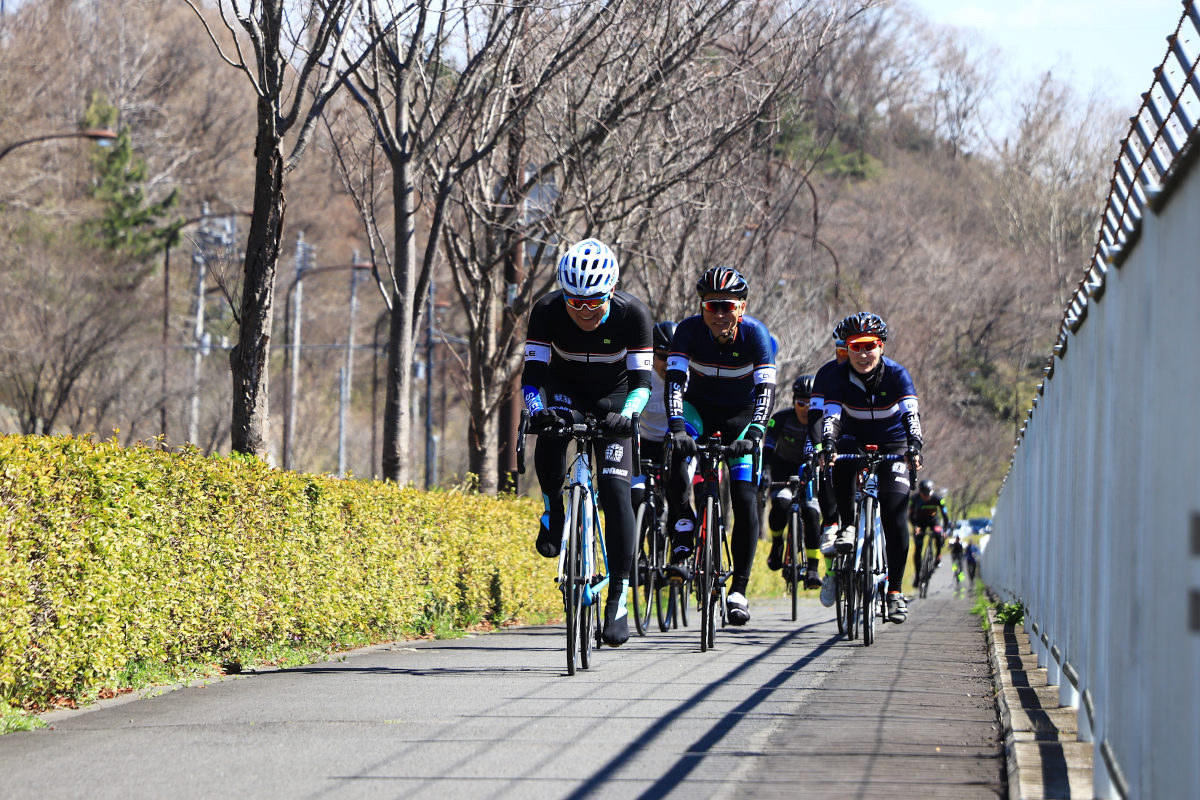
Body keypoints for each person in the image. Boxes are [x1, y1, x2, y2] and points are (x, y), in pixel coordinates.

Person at [521, 238, 653, 647]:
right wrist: (536, 408)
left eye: (593, 303)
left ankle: (618, 596)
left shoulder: (634, 315)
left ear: (610, 292)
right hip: (564, 391)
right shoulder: (545, 310)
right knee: (548, 432)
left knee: (616, 491)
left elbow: (643, 383)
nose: (583, 312)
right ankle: (554, 511)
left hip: (615, 399)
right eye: (574, 303)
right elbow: (532, 376)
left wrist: (628, 415)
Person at [664, 266, 777, 626]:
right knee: (678, 460)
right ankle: (683, 528)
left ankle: (739, 590)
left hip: (741, 419)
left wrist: (757, 429)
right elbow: (675, 384)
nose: (718, 314)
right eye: (710, 306)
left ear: (741, 308)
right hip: (697, 411)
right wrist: (678, 428)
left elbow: (766, 391)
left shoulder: (756, 335)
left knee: (745, 497)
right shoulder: (687, 331)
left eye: (726, 306)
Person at [820, 312, 923, 624]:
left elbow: (911, 416)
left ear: (882, 346)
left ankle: (894, 591)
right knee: (839, 462)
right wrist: (827, 443)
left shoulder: (897, 374)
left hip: (894, 443)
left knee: (894, 513)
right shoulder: (838, 377)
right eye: (855, 347)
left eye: (870, 346)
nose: (863, 354)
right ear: (846, 348)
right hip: (853, 437)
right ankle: (848, 525)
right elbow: (832, 418)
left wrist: (915, 446)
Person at [762, 374, 822, 590]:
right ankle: (777, 542)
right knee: (780, 504)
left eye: (811, 403)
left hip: (811, 472)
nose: (805, 408)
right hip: (782, 469)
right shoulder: (780, 419)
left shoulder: (822, 422)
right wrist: (766, 471)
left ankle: (814, 567)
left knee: (812, 514)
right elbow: (768, 447)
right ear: (794, 401)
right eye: (800, 403)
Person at [809, 322, 850, 607]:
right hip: (832, 438)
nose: (845, 357)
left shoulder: (881, 373)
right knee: (827, 471)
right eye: (840, 351)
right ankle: (832, 571)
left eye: (851, 350)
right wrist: (818, 448)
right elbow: (815, 417)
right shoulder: (826, 375)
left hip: (864, 439)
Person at [909, 479, 951, 586]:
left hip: (934, 522)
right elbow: (910, 516)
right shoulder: (914, 499)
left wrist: (945, 531)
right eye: (924, 494)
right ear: (920, 492)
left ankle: (938, 556)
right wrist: (915, 527)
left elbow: (945, 517)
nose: (926, 497)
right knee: (918, 550)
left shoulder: (938, 499)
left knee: (938, 533)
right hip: (920, 523)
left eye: (928, 494)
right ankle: (918, 576)